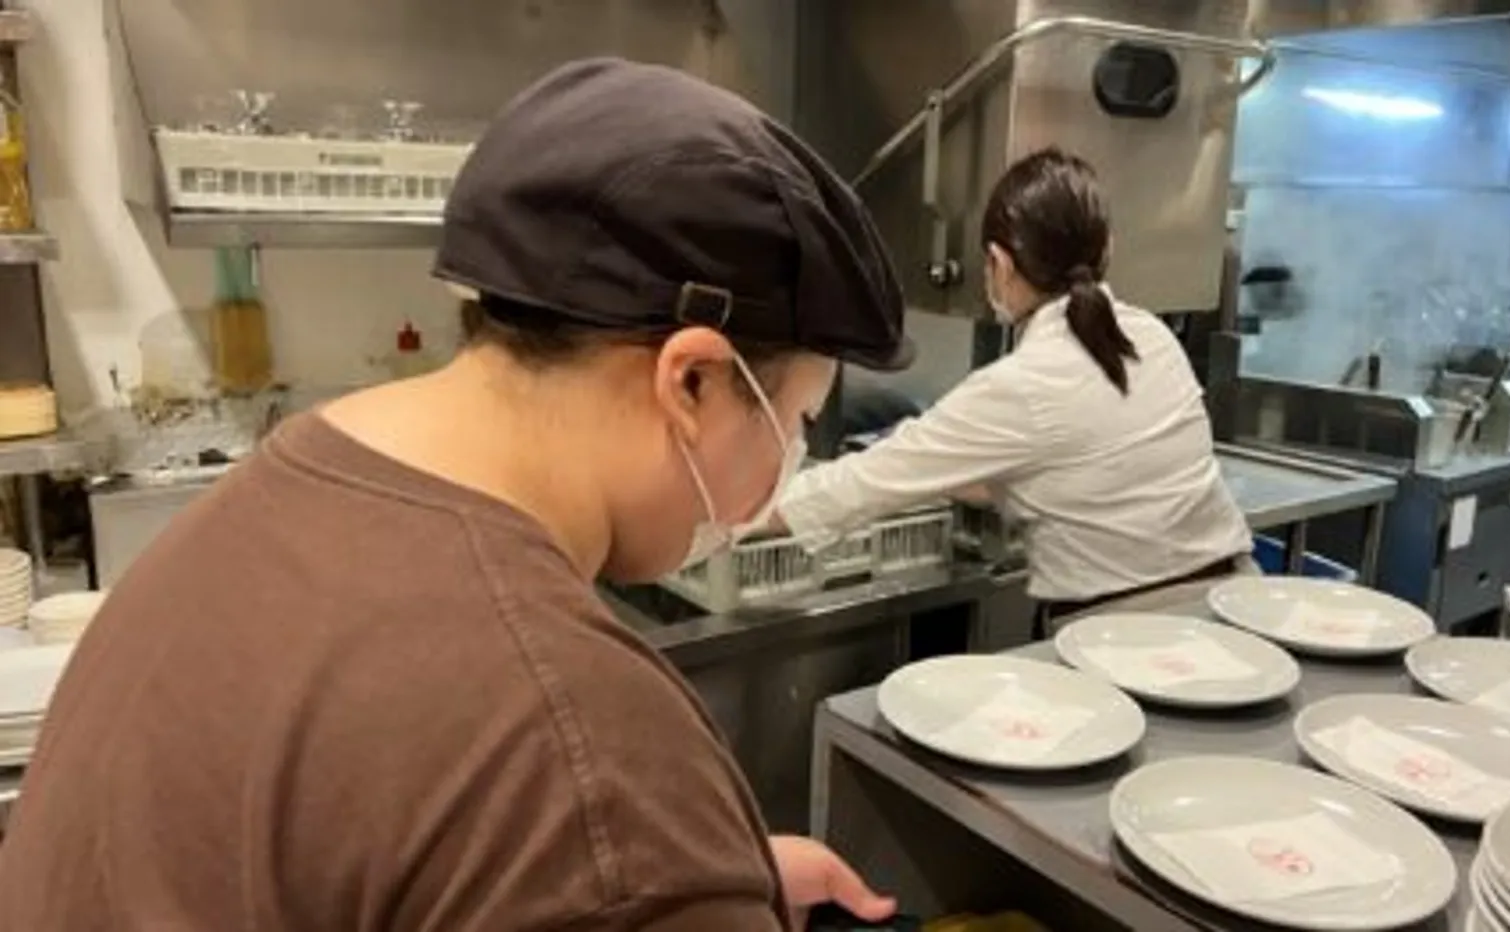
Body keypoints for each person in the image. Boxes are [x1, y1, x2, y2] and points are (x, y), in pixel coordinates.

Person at [0, 58, 911, 931]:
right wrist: (650, 880)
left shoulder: (255, 508)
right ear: (694, 382)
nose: (789, 457)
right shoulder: (583, 755)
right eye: (794, 420)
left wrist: (698, 882)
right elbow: (570, 827)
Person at [779, 148, 1253, 629]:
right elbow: (1080, 469)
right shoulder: (1154, 337)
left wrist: (724, 514)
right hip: (1231, 609)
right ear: (1108, 247)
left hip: (1122, 636)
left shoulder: (1020, 386)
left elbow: (853, 488)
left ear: (998, 264)